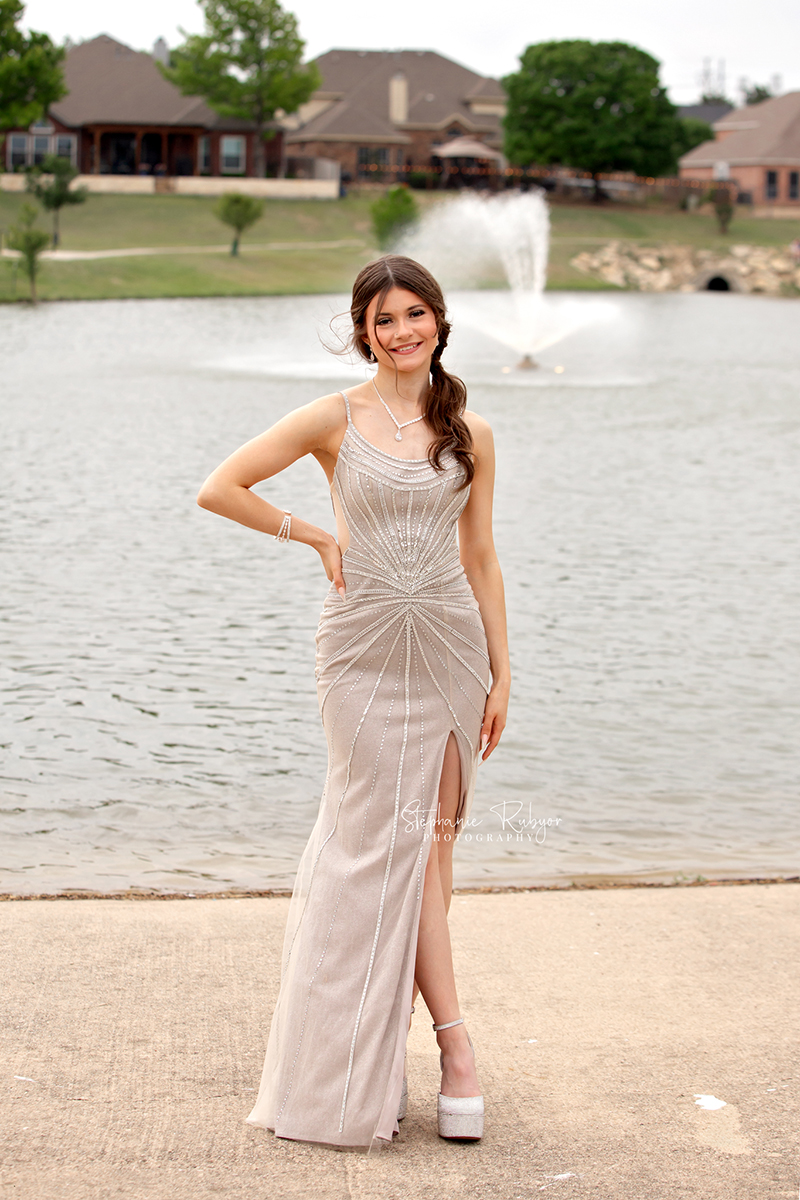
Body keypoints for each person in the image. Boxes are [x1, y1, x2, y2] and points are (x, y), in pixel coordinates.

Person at [197, 254, 510, 1150]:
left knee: (431, 863)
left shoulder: (473, 430)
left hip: (452, 654)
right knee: (379, 854)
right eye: (384, 320)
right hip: (363, 658)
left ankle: (392, 1062)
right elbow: (220, 487)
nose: (402, 331)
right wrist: (311, 532)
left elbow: (481, 556)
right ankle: (457, 1054)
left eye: (416, 314)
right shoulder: (331, 419)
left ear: (439, 323)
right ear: (363, 333)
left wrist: (503, 670)